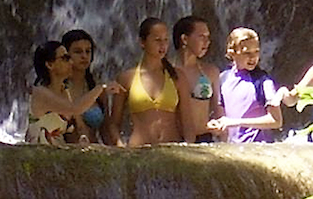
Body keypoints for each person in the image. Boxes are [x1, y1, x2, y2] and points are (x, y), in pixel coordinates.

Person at [109, 17, 195, 146]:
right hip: (138, 151)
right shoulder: (126, 78)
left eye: (166, 40)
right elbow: (113, 123)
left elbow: (187, 122)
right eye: (157, 40)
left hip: (172, 150)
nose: (163, 45)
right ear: (142, 42)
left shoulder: (177, 76)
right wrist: (120, 146)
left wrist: (189, 146)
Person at [26, 41, 123, 145]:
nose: (71, 62)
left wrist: (83, 137)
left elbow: (78, 125)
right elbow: (75, 108)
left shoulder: (65, 90)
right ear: (49, 64)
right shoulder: (40, 93)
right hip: (38, 156)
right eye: (65, 58)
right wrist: (101, 88)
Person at [207, 27, 283, 142]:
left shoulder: (263, 81)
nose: (253, 57)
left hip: (258, 148)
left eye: (256, 52)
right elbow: (222, 118)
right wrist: (217, 125)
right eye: (247, 53)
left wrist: (236, 122)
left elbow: (276, 121)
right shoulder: (223, 79)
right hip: (233, 148)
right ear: (232, 53)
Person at [172, 16, 222, 142]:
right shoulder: (165, 71)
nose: (207, 42)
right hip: (173, 140)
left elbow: (218, 110)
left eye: (208, 37)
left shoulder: (210, 72)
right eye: (202, 37)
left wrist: (220, 129)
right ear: (184, 39)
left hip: (204, 138)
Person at [61, 29, 110, 144]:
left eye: (88, 51)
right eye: (78, 52)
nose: (84, 56)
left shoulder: (97, 88)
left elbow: (105, 130)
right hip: (65, 154)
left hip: (94, 152)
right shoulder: (59, 88)